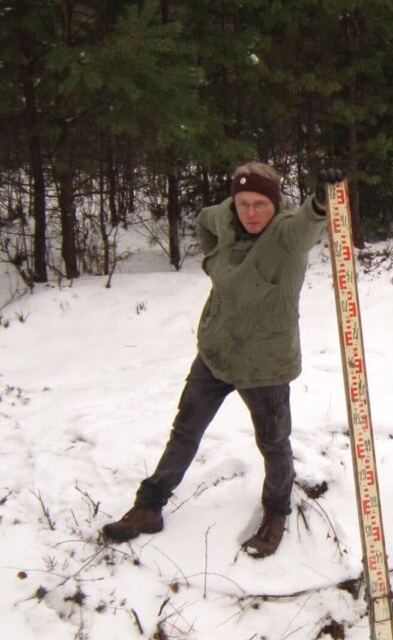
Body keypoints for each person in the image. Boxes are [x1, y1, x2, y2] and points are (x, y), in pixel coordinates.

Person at [101, 160, 342, 557]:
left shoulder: (286, 235)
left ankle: (276, 513)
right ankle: (149, 505)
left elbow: (309, 224)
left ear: (275, 203)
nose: (250, 213)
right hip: (217, 352)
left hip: (265, 364)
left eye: (260, 204)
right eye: (243, 203)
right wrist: (214, 261)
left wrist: (320, 201)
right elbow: (203, 220)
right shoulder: (226, 218)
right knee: (185, 430)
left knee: (273, 443)